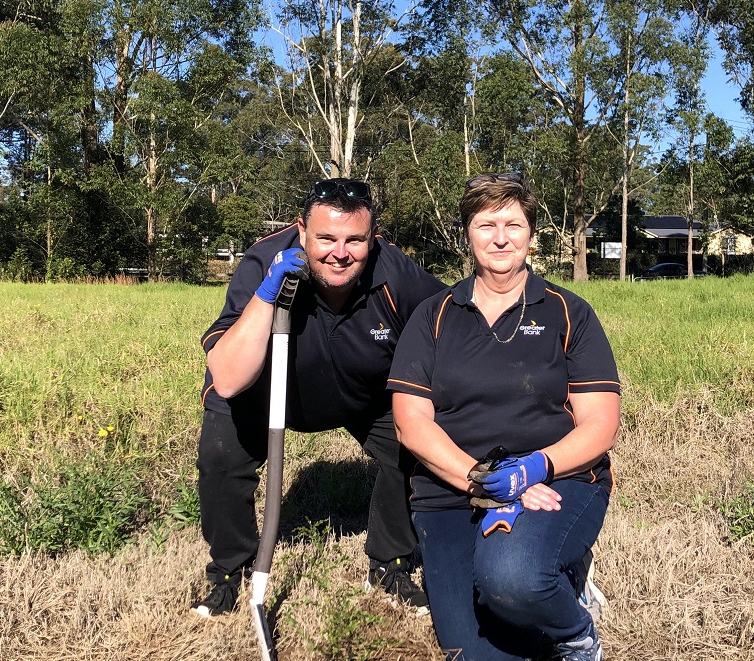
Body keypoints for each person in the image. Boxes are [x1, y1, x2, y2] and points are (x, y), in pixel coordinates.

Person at [387, 172, 621, 660]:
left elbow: (600, 424)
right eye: (485, 224)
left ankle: (574, 630)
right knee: (470, 650)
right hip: (450, 488)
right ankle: (548, 582)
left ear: (532, 235)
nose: (500, 237)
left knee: (510, 581)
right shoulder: (432, 315)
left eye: (513, 224)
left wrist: (532, 469)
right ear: (466, 234)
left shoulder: (569, 313)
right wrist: (484, 480)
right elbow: (412, 423)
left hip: (556, 479)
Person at [192, 178, 446, 618]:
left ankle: (390, 563)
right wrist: (267, 293)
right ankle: (230, 571)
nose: (340, 252)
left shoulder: (395, 272)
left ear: (373, 237)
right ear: (302, 231)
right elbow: (229, 378)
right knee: (221, 455)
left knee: (418, 445)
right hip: (265, 392)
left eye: (355, 239)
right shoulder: (263, 261)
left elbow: (449, 328)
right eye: (325, 238)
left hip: (364, 394)